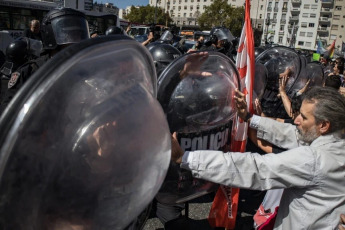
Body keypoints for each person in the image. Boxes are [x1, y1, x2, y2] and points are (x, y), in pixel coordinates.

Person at [171, 86, 345, 229]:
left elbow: (254, 168)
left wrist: (185, 158)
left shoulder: (314, 159)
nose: (296, 120)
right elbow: (291, 133)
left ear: (323, 125)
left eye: (304, 117)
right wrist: (249, 118)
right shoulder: (335, 141)